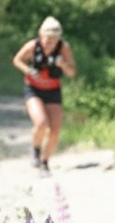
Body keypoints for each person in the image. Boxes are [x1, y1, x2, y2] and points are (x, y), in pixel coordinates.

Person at [12, 16, 77, 175]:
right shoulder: (33, 46)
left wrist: (64, 65)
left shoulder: (63, 48)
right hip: (34, 89)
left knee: (55, 130)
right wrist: (29, 71)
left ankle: (45, 161)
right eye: (48, 39)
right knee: (41, 123)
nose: (50, 43)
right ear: (41, 36)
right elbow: (17, 60)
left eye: (54, 39)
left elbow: (72, 73)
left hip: (53, 91)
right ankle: (35, 149)